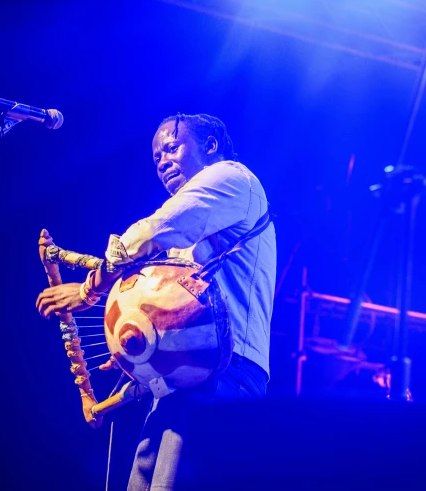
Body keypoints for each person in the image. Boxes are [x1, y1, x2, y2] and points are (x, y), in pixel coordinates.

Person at [35, 113, 276, 490]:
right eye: (156, 158)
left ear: (210, 146)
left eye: (172, 147)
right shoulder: (193, 233)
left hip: (225, 373)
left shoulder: (233, 178)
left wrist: (88, 291)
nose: (162, 161)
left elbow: (152, 230)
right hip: (185, 376)